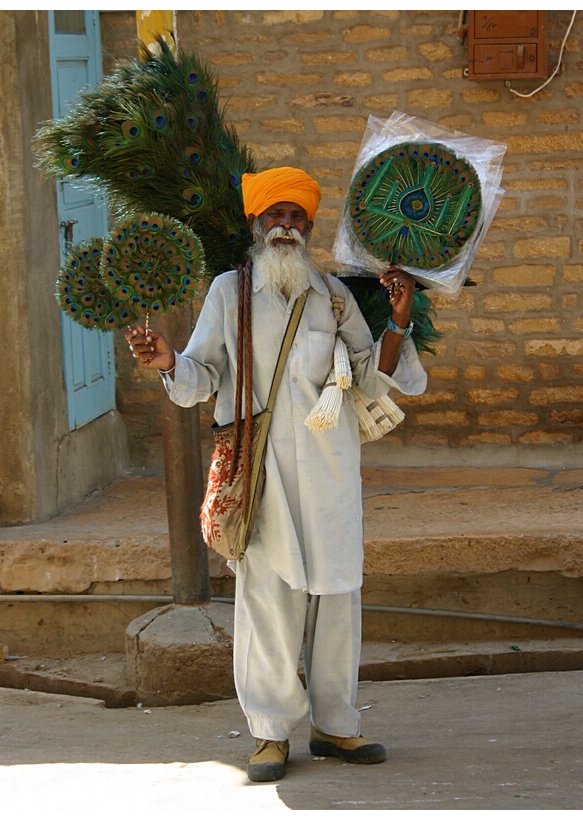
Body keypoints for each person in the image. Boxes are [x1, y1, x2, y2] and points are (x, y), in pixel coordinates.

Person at [126, 166, 427, 782]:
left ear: (308, 227)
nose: (286, 226)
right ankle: (268, 735)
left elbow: (372, 375)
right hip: (261, 478)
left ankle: (337, 726)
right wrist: (168, 362)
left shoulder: (335, 297)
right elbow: (202, 377)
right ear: (255, 223)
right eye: (276, 215)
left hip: (331, 474)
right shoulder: (227, 293)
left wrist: (398, 319)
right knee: (267, 603)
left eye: (297, 217)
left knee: (338, 596)